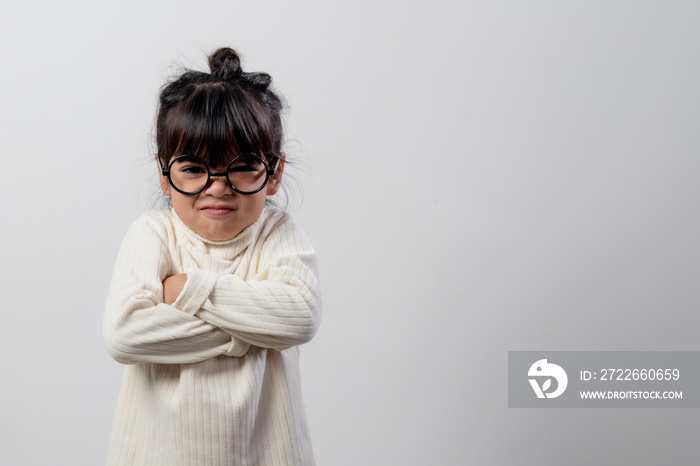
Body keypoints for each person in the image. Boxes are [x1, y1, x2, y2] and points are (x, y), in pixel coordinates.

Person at [103, 47, 321, 466]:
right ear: (165, 175)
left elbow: (300, 316)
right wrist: (253, 332)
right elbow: (125, 333)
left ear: (273, 174)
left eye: (241, 167)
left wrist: (189, 287)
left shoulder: (280, 233)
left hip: (269, 454)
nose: (217, 188)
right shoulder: (153, 232)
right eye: (193, 169)